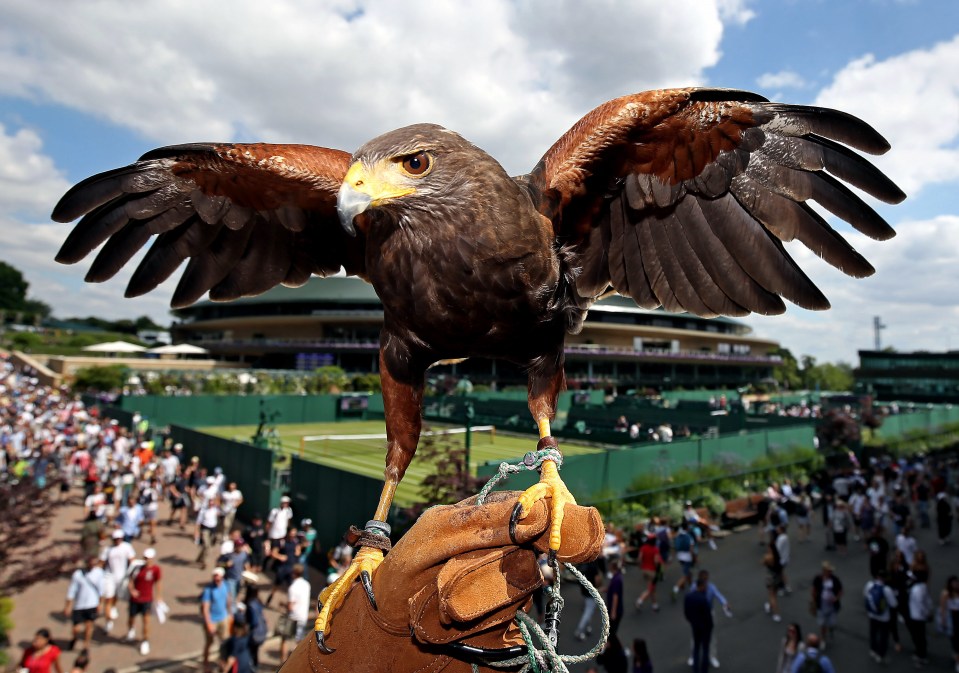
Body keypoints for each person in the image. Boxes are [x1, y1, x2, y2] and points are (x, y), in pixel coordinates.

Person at [688, 569, 730, 669]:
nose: (705, 582)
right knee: (695, 637)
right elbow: (690, 600)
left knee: (712, 637)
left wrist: (725, 603)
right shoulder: (694, 588)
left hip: (709, 614)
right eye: (703, 580)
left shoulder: (711, 587)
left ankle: (712, 657)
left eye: (706, 580)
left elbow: (719, 595)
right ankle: (693, 656)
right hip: (697, 615)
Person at [63, 557, 104, 652]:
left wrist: (100, 603)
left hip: (92, 604)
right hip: (79, 605)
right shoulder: (78, 574)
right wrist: (68, 605)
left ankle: (86, 645)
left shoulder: (98, 573)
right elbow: (72, 590)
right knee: (76, 628)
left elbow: (101, 590)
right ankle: (75, 638)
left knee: (89, 626)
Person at [127, 547, 161, 656]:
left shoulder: (156, 570)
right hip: (135, 599)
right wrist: (132, 590)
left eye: (149, 558)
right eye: (145, 558)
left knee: (146, 620)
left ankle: (145, 640)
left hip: (147, 599)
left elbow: (158, 583)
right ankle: (131, 629)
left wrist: (159, 596)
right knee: (131, 617)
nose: (147, 560)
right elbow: (130, 580)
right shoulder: (137, 568)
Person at [100, 529, 135, 632]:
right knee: (108, 599)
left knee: (116, 595)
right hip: (109, 576)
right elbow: (102, 562)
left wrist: (131, 575)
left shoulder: (127, 547)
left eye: (119, 538)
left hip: (121, 576)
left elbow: (132, 560)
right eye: (115, 539)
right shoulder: (108, 550)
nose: (117, 540)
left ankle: (113, 607)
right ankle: (108, 622)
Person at [201, 567, 233, 671]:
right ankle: (205, 664)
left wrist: (230, 613)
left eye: (218, 577)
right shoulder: (208, 590)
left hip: (223, 618)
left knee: (224, 642)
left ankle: (222, 662)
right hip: (212, 620)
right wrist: (209, 623)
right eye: (215, 577)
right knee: (209, 643)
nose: (216, 579)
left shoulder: (226, 585)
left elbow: (228, 600)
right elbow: (205, 608)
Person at [864, 569, 898, 663]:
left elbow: (866, 596)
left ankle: (873, 649)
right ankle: (880, 654)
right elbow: (894, 604)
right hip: (884, 617)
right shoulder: (887, 589)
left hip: (872, 614)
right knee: (883, 636)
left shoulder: (869, 585)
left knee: (873, 633)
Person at [281, 564, 312, 662]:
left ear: (294, 574)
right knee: (298, 641)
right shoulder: (307, 585)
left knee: (285, 639)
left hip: (293, 617)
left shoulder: (292, 588)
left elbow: (290, 607)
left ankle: (283, 661)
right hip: (303, 616)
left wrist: (283, 605)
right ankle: (296, 662)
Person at [683, 576, 713, 673]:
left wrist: (692, 621)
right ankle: (704, 669)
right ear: (701, 586)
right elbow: (708, 616)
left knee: (696, 647)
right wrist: (710, 626)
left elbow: (686, 613)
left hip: (695, 626)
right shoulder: (703, 599)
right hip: (705, 627)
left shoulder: (688, 597)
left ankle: (695, 669)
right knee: (705, 648)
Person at [811, 561, 843, 646]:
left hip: (832, 605)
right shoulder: (818, 579)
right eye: (828, 570)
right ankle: (823, 639)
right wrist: (814, 601)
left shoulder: (835, 579)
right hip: (822, 604)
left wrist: (836, 598)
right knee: (822, 623)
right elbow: (814, 590)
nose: (830, 572)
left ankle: (831, 629)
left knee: (832, 622)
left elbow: (840, 591)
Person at [573, 557, 604, 641]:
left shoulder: (582, 564)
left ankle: (587, 627)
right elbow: (597, 580)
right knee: (588, 612)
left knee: (588, 609)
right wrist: (598, 588)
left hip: (584, 590)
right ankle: (579, 631)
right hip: (591, 591)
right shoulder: (593, 565)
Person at [906, 569, 934, 666]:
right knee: (920, 637)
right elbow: (928, 601)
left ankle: (921, 657)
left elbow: (921, 605)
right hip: (919, 616)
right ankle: (920, 653)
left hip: (917, 616)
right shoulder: (923, 587)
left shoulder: (917, 589)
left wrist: (927, 614)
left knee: (919, 637)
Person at [634, 533, 663, 612]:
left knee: (652, 588)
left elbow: (639, 559)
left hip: (644, 570)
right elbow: (656, 561)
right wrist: (658, 569)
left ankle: (655, 605)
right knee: (650, 589)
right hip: (652, 571)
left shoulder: (643, 548)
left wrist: (640, 566)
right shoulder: (655, 549)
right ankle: (639, 601)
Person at [242, 584, 267, 668]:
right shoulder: (258, 601)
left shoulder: (250, 605)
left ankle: (252, 667)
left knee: (251, 652)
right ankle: (255, 666)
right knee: (255, 651)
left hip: (254, 633)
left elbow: (253, 621)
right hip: (262, 631)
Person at [938, 575, 959, 673]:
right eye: (953, 583)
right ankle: (957, 658)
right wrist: (943, 620)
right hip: (952, 618)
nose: (956, 584)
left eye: (957, 582)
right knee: (955, 639)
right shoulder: (946, 594)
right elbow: (943, 608)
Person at [672, 522, 697, 599]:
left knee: (688, 572)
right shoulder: (689, 537)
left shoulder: (679, 535)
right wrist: (694, 558)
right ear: (687, 528)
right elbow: (691, 549)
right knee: (685, 575)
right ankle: (675, 589)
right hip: (687, 558)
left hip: (680, 557)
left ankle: (692, 587)